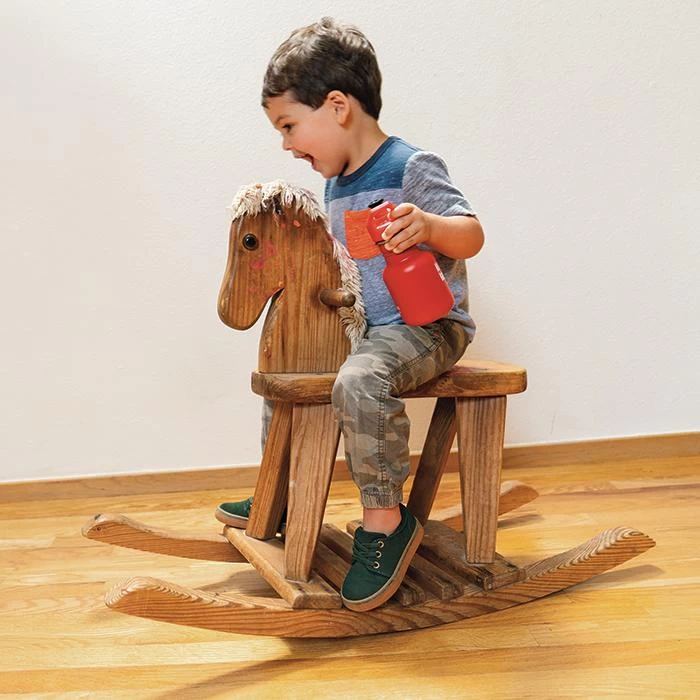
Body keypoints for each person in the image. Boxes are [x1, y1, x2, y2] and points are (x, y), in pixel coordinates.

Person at [216, 17, 484, 612]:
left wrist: (429, 226)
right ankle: (281, 493)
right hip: (368, 329)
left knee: (360, 380)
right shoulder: (336, 184)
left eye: (289, 125)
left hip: (427, 327)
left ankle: (386, 522)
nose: (287, 144)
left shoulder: (409, 165)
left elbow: (471, 234)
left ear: (337, 107)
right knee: (291, 366)